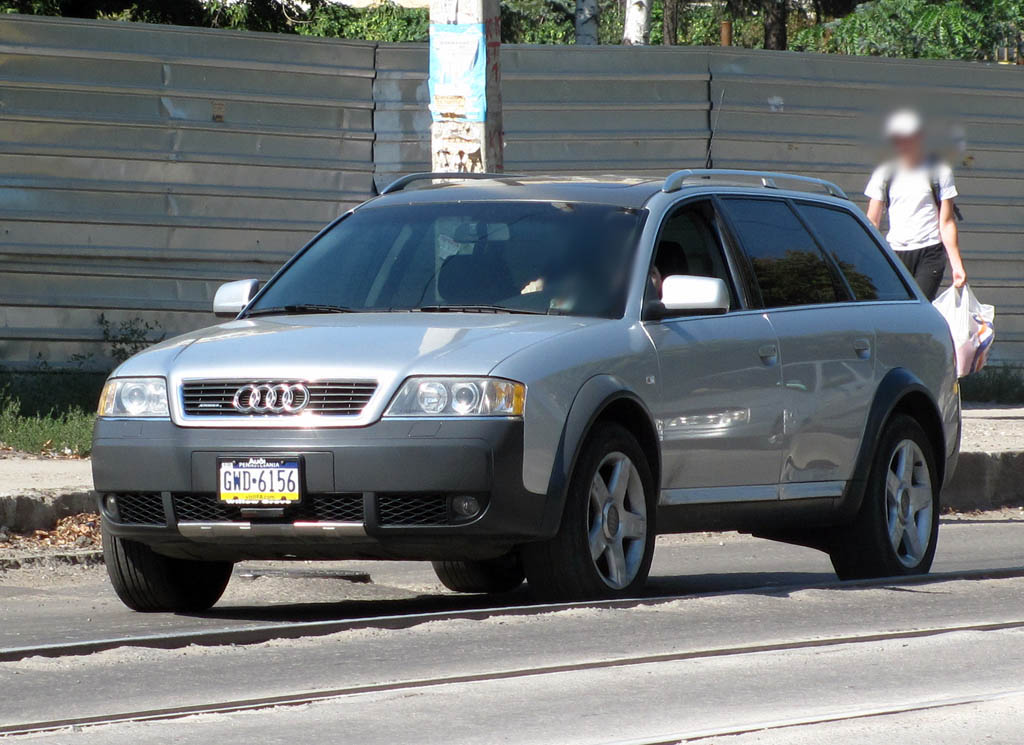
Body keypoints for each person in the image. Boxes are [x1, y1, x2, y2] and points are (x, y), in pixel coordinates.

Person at [864, 110, 967, 301]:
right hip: (895, 252)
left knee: (920, 304)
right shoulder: (884, 173)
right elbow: (872, 221)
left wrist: (957, 264)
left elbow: (946, 222)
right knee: (897, 310)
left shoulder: (939, 172)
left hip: (930, 252)